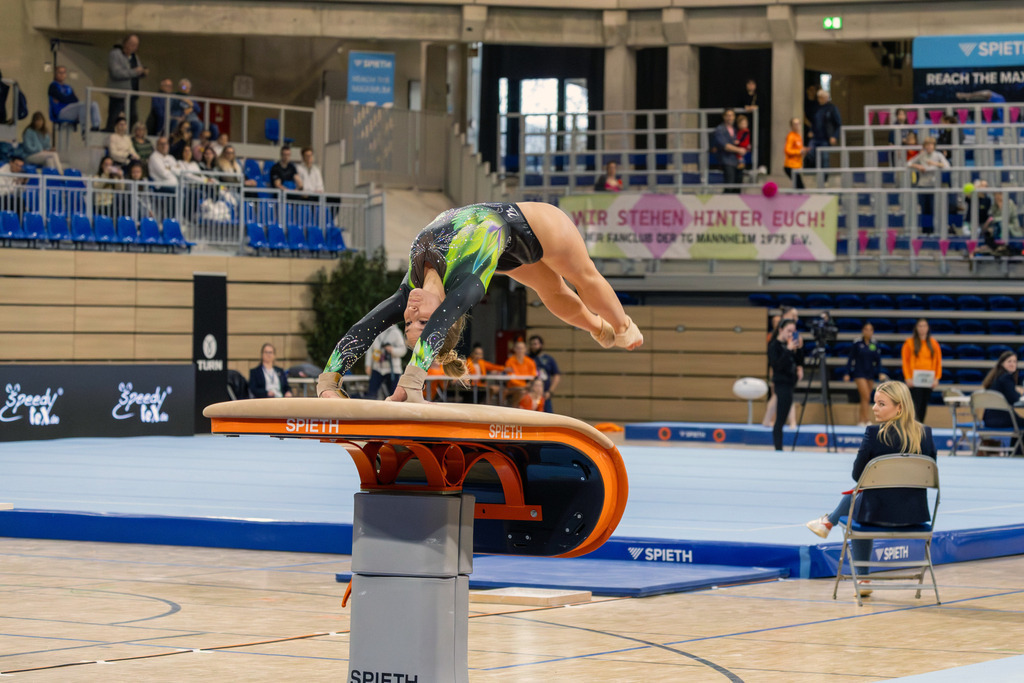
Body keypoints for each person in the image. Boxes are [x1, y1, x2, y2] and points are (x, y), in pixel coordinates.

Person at [316, 202, 644, 402]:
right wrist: (414, 378)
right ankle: (609, 326)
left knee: (577, 281)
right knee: (557, 290)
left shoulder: (410, 290)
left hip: (524, 228)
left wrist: (330, 379)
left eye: (409, 322)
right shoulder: (467, 286)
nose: (412, 314)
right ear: (448, 314)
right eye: (421, 321)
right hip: (524, 233)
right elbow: (441, 321)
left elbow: (365, 327)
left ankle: (619, 326)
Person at [805, 381, 937, 596]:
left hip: (875, 516)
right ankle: (828, 521)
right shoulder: (926, 434)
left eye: (881, 404)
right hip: (914, 517)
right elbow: (929, 476)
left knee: (859, 505)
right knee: (863, 498)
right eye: (875, 403)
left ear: (899, 407)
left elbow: (858, 476)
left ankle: (862, 576)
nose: (874, 408)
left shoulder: (874, 434)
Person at [762, 306, 801, 429]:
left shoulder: (794, 333)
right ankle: (770, 419)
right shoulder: (781, 331)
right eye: (794, 316)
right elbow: (775, 352)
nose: (796, 318)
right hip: (778, 367)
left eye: (797, 316)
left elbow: (798, 354)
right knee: (777, 395)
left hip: (789, 370)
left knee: (784, 396)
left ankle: (787, 420)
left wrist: (799, 367)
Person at [767, 318, 802, 451]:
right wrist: (787, 350)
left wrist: (798, 348)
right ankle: (778, 448)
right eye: (788, 331)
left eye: (793, 331)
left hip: (790, 383)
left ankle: (779, 448)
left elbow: (798, 361)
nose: (790, 334)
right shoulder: (774, 345)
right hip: (781, 383)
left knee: (783, 417)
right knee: (780, 419)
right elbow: (777, 365)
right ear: (781, 330)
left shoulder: (791, 344)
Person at [843, 322, 888, 428]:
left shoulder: (874, 344)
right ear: (863, 331)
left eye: (871, 329)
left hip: (870, 374)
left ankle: (861, 420)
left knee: (865, 398)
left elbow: (878, 360)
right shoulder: (857, 343)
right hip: (859, 373)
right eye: (866, 329)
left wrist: (879, 372)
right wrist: (847, 372)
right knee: (866, 396)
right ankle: (866, 419)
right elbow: (850, 359)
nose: (868, 331)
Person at [901, 318, 941, 423]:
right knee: (915, 403)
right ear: (916, 328)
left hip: (928, 379)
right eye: (920, 326)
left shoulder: (933, 343)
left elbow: (938, 362)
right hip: (914, 379)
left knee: (924, 404)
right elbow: (905, 361)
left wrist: (937, 378)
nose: (922, 328)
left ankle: (920, 424)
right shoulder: (909, 343)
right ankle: (913, 424)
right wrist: (907, 377)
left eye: (924, 326)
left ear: (928, 328)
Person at [105, 34, 148, 131]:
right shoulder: (115, 54)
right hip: (118, 93)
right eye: (131, 44)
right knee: (114, 117)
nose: (133, 47)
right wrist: (135, 72)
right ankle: (109, 134)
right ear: (125, 43)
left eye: (136, 45)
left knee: (133, 117)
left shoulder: (134, 57)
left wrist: (142, 72)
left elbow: (138, 70)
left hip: (131, 93)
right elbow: (116, 73)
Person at [908, 137, 950, 229]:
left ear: (934, 146)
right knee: (924, 210)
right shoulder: (921, 155)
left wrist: (935, 164)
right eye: (927, 145)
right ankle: (925, 229)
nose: (929, 147)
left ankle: (933, 229)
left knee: (933, 209)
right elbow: (909, 163)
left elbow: (947, 166)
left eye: (931, 145)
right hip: (922, 186)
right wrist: (917, 166)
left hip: (933, 186)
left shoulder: (938, 155)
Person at [48, 65, 101, 134]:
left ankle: (96, 126)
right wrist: (68, 98)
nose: (62, 75)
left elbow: (75, 100)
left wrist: (66, 98)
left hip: (71, 110)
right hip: (61, 112)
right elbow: (63, 98)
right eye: (59, 73)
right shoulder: (53, 86)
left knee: (94, 104)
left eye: (63, 73)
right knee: (83, 105)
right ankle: (84, 130)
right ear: (55, 74)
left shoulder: (68, 87)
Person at [979, 351, 1024, 431]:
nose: (1012, 364)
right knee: (1020, 424)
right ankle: (1017, 443)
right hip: (1002, 419)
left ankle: (1015, 443)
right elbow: (1014, 398)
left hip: (988, 419)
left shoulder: (995, 378)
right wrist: (1020, 392)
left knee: (1019, 425)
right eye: (1009, 361)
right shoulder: (1007, 377)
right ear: (1002, 363)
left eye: (1014, 361)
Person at [364, 324, 406, 400]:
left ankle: (393, 411)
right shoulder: (375, 332)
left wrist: (392, 350)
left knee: (394, 395)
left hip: (393, 369)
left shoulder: (396, 332)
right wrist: (368, 365)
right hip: (377, 368)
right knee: (371, 394)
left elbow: (403, 350)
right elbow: (370, 350)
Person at [713, 109, 746, 192]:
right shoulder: (720, 129)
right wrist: (739, 150)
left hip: (737, 161)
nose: (730, 118)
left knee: (737, 185)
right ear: (724, 117)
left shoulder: (735, 130)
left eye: (731, 115)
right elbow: (725, 145)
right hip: (727, 160)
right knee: (729, 185)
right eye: (728, 115)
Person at [528, 334, 562, 413]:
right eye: (531, 344)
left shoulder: (548, 359)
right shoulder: (527, 358)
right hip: (531, 394)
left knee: (549, 416)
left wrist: (550, 391)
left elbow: (556, 375)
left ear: (541, 345)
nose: (533, 346)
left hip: (545, 394)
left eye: (535, 344)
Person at [809, 89, 841, 171]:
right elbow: (813, 121)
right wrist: (811, 130)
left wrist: (834, 136)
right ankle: (815, 173)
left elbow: (838, 124)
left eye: (824, 97)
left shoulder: (832, 108)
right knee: (810, 155)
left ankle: (824, 180)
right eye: (820, 97)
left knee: (824, 159)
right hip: (816, 137)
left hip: (825, 138)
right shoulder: (815, 108)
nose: (822, 99)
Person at [503, 338, 538, 407]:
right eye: (518, 348)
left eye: (522, 348)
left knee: (537, 390)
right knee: (521, 392)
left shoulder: (530, 362)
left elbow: (533, 376)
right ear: (514, 349)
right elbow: (511, 378)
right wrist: (523, 385)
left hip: (527, 386)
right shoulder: (510, 361)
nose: (520, 350)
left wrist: (528, 384)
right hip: (513, 387)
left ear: (525, 349)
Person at [784, 117, 805, 189]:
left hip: (796, 165)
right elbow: (787, 150)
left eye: (798, 123)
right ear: (791, 126)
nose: (797, 125)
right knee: (800, 187)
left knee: (798, 186)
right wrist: (799, 151)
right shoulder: (791, 136)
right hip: (790, 165)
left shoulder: (798, 136)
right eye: (795, 124)